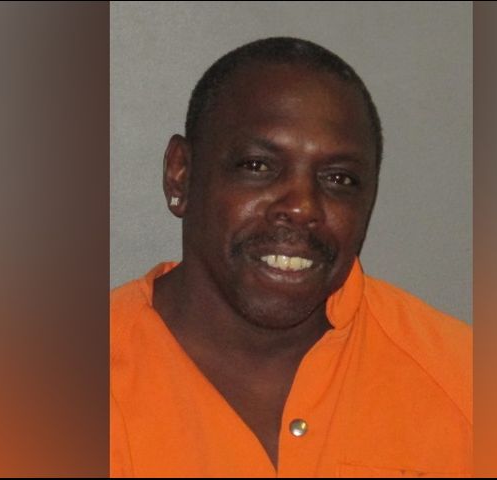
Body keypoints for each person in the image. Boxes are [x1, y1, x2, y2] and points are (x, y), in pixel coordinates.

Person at [110, 37, 471, 477]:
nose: (302, 207)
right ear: (180, 175)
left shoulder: (466, 383)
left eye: (339, 179)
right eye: (258, 166)